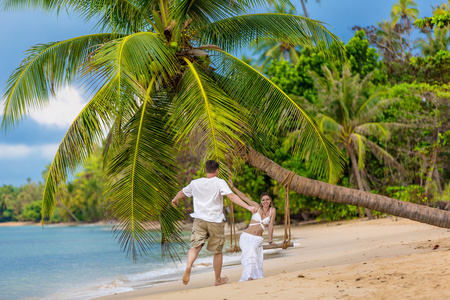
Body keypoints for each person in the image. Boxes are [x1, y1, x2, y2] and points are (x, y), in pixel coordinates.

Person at [171, 160, 258, 286]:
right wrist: (249, 208)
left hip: (199, 220)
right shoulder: (219, 182)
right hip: (215, 221)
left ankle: (189, 266)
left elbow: (182, 192)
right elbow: (232, 197)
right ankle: (217, 280)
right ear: (217, 171)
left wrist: (175, 199)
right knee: (217, 251)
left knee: (195, 247)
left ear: (205, 170)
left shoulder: (195, 183)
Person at [231, 186, 276, 282]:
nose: (265, 202)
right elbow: (244, 198)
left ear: (270, 200)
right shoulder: (256, 207)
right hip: (246, 236)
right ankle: (249, 276)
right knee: (248, 255)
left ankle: (250, 276)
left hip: (257, 239)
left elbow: (270, 226)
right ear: (260, 201)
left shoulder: (273, 211)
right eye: (263, 200)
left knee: (252, 253)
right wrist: (233, 187)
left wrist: (270, 240)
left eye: (267, 199)